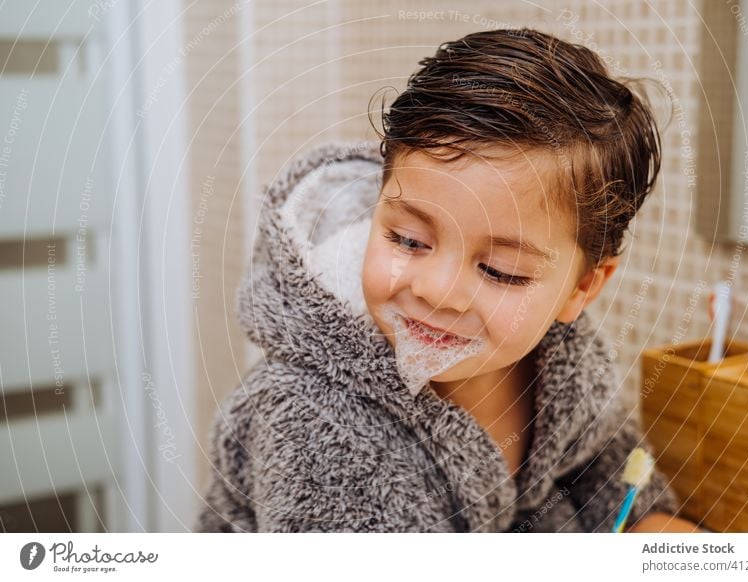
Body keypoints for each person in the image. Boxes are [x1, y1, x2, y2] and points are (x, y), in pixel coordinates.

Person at [194, 27, 701, 533]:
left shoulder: (567, 369)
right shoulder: (311, 422)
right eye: (408, 240)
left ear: (581, 289)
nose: (435, 290)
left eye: (501, 271)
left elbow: (615, 478)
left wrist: (654, 527)